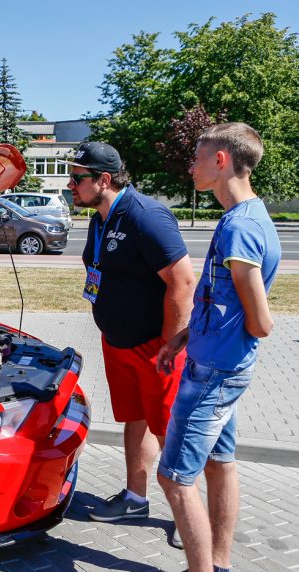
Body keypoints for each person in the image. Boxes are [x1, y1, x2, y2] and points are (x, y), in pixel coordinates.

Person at [137, 123, 281, 572]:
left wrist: (218, 340)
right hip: (217, 362)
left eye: (198, 158)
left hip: (215, 372)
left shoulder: (240, 228)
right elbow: (218, 300)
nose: (191, 166)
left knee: (175, 478)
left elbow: (260, 320)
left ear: (222, 160)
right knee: (221, 462)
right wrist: (180, 339)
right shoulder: (249, 216)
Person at [65, 142, 196, 523]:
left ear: (104, 180)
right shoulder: (99, 217)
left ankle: (186, 519)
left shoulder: (146, 216)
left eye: (78, 178)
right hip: (118, 342)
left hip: (156, 347)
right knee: (135, 418)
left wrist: (170, 345)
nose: (71, 186)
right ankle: (135, 499)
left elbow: (183, 282)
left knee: (170, 431)